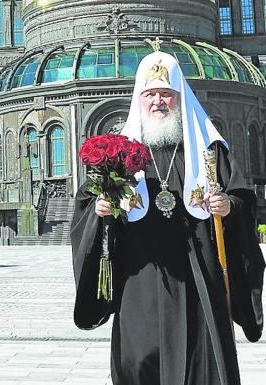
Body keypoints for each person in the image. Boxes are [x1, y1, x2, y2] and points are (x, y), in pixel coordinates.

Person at [70, 51, 264, 384]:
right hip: (140, 277)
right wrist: (101, 209)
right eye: (150, 94)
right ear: (139, 98)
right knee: (140, 360)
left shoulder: (208, 149)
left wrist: (228, 206)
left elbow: (243, 198)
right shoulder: (121, 152)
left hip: (198, 275)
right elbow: (89, 202)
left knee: (200, 364)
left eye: (166, 93)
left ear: (179, 97)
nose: (159, 101)